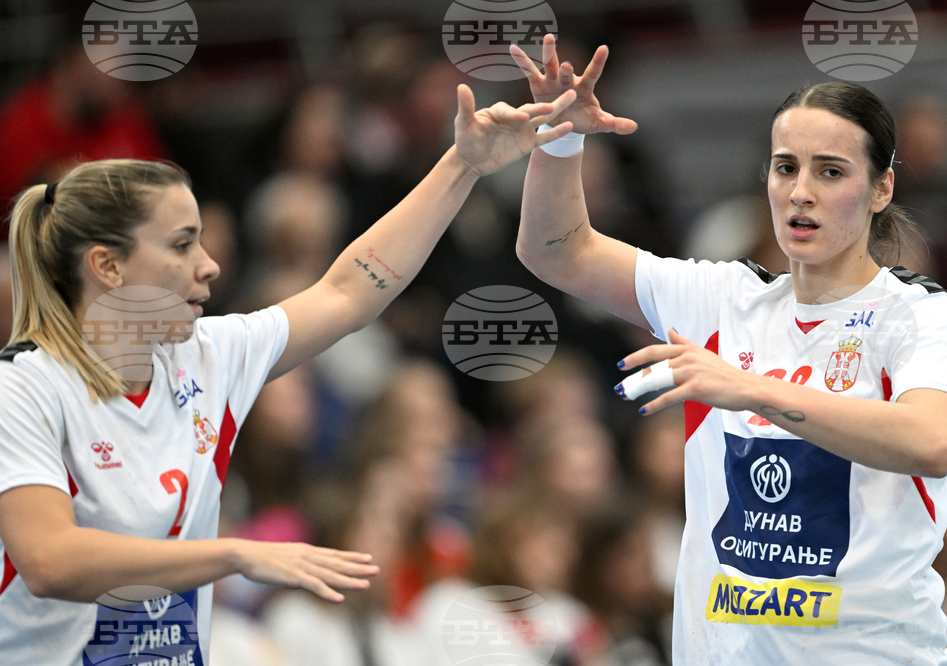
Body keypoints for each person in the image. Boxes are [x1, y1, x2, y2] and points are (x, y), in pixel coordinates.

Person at [0, 84, 578, 665]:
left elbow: (348, 291)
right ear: (108, 265)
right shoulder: (24, 388)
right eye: (181, 246)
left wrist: (463, 165)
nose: (210, 265)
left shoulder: (211, 356)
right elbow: (50, 561)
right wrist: (232, 555)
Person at [510, 35, 947, 665]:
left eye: (830, 171)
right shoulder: (722, 297)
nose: (800, 191)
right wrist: (561, 139)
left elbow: (930, 442)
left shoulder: (921, 314)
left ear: (881, 189)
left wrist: (751, 388)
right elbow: (554, 250)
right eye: (786, 167)